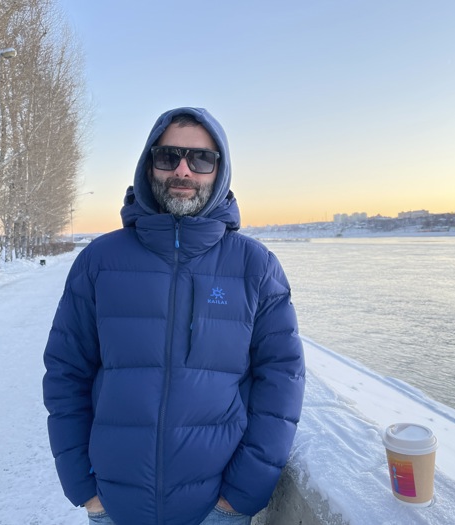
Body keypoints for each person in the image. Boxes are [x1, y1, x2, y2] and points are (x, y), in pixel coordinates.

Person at [43, 107, 305, 525]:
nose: (183, 170)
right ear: (149, 165)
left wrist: (241, 495)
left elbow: (282, 380)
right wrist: (85, 490)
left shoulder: (255, 267)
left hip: (217, 511)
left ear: (219, 171)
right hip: (115, 507)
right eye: (169, 156)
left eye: (201, 159)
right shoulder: (99, 261)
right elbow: (66, 373)